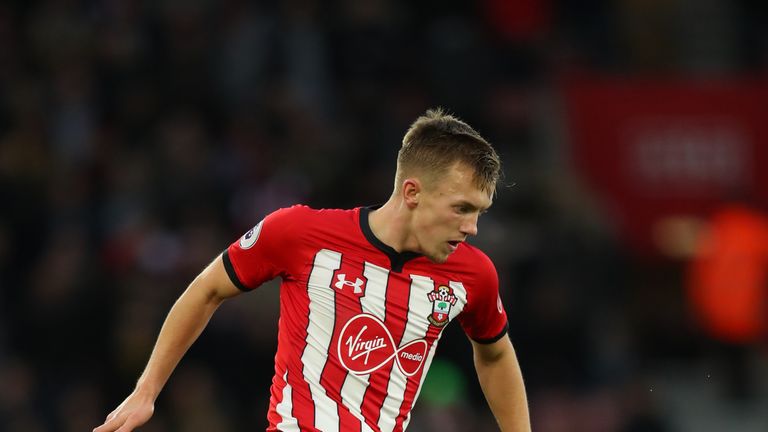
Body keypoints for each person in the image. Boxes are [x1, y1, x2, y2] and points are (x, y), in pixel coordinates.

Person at [94, 109, 531, 432]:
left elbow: (495, 353)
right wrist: (146, 391)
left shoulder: (472, 276)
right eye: (462, 209)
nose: (472, 227)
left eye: (479, 213)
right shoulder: (301, 233)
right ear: (412, 192)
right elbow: (207, 289)